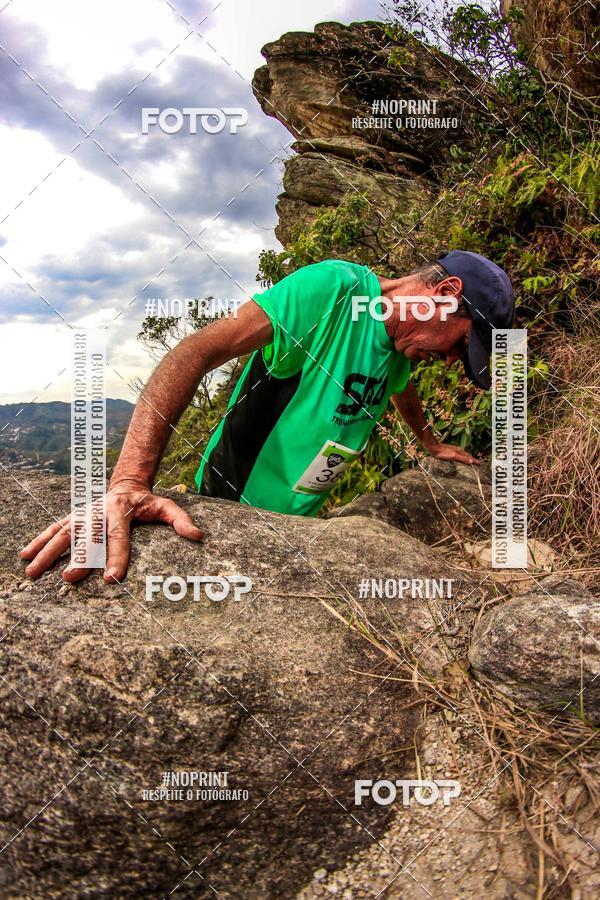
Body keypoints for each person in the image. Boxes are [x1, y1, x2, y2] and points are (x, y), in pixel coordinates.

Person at [20, 249, 514, 584]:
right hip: (230, 507)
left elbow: (400, 390)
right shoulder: (336, 292)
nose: (453, 361)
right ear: (445, 294)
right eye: (461, 344)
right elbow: (196, 351)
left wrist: (429, 441)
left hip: (300, 526)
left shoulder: (403, 349)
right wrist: (129, 481)